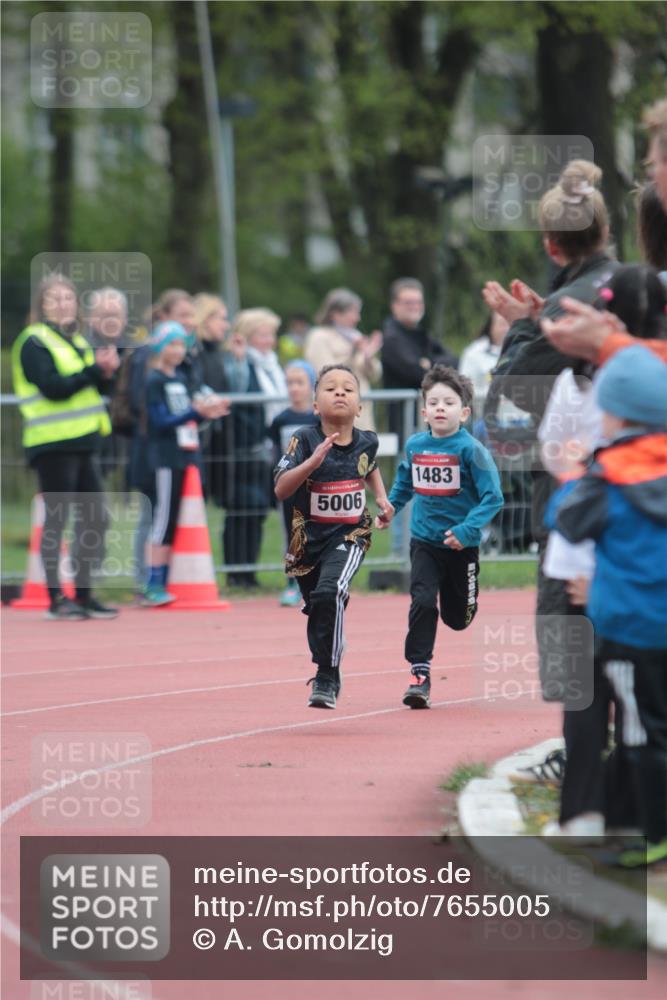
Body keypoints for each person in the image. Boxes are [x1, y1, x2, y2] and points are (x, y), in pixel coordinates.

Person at [483, 161, 618, 780]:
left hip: (572, 491)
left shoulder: (568, 303)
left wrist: (519, 327)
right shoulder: (632, 284)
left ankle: (584, 760)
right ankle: (622, 749)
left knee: (566, 628)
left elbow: (514, 393)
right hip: (638, 486)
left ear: (549, 243)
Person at [554, 345, 667, 866]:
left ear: (615, 411)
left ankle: (652, 834)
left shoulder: (607, 474)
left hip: (627, 625)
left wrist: (572, 471)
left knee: (642, 732)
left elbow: (570, 520)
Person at [380, 365, 503, 708]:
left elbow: (494, 497)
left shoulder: (472, 450)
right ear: (423, 412)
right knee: (421, 602)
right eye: (433, 402)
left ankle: (465, 602)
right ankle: (419, 673)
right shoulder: (416, 445)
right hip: (424, 543)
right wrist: (390, 507)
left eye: (448, 403)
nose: (439, 408)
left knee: (458, 619)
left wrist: (467, 529)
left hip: (461, 547)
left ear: (463, 412)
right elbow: (404, 483)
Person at [274, 364, 394, 709]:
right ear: (315, 406)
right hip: (307, 542)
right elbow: (282, 489)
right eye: (330, 388)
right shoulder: (304, 439)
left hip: (350, 532)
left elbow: (369, 467)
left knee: (332, 590)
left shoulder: (368, 440)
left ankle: (326, 675)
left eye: (348, 388)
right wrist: (311, 463)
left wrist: (382, 499)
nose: (339, 392)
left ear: (359, 406)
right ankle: (328, 657)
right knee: (319, 606)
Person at [12, 274, 120, 619]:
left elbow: (93, 386)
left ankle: (84, 594)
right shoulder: (33, 341)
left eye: (67, 298)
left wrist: (106, 372)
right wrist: (93, 371)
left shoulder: (74, 341)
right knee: (57, 521)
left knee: (96, 518)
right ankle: (56, 598)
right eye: (54, 299)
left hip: (83, 442)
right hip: (53, 443)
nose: (62, 304)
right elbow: (53, 387)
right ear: (41, 305)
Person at [143, 321, 229, 606]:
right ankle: (154, 582)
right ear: (159, 346)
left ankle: (165, 579)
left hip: (185, 453)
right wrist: (195, 410)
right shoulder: (155, 380)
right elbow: (160, 421)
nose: (178, 350)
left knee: (176, 518)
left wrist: (206, 414)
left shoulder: (179, 378)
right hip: (167, 457)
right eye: (172, 344)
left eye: (181, 345)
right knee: (164, 519)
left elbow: (185, 417)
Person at [217, 314, 272, 589]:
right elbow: (234, 392)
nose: (269, 341)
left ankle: (249, 571)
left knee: (257, 511)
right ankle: (236, 572)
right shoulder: (237, 362)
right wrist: (238, 360)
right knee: (239, 511)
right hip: (239, 449)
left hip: (262, 448)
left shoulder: (269, 364)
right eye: (263, 335)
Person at [269, 360, 319, 607]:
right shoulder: (280, 419)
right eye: (289, 383)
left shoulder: (318, 418)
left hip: (317, 488)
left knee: (316, 532)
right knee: (292, 534)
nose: (294, 388)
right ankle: (292, 584)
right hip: (291, 488)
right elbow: (276, 454)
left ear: (311, 386)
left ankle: (319, 580)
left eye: (300, 383)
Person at [381, 278, 458, 436]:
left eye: (418, 302)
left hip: (425, 419)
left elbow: (454, 360)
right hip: (404, 421)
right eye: (409, 302)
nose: (414, 307)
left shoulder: (421, 334)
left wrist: (428, 363)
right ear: (395, 306)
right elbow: (416, 374)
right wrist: (427, 367)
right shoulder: (392, 338)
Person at [305, 288, 382, 431]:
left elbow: (375, 375)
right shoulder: (319, 337)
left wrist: (368, 356)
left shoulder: (355, 335)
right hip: (335, 415)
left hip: (361, 412)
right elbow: (325, 374)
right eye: (353, 313)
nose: (357, 318)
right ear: (336, 314)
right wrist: (353, 352)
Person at [240, 308, 287, 425]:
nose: (270, 340)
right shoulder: (240, 363)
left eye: (272, 335)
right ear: (247, 337)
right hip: (253, 432)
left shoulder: (274, 363)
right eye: (263, 336)